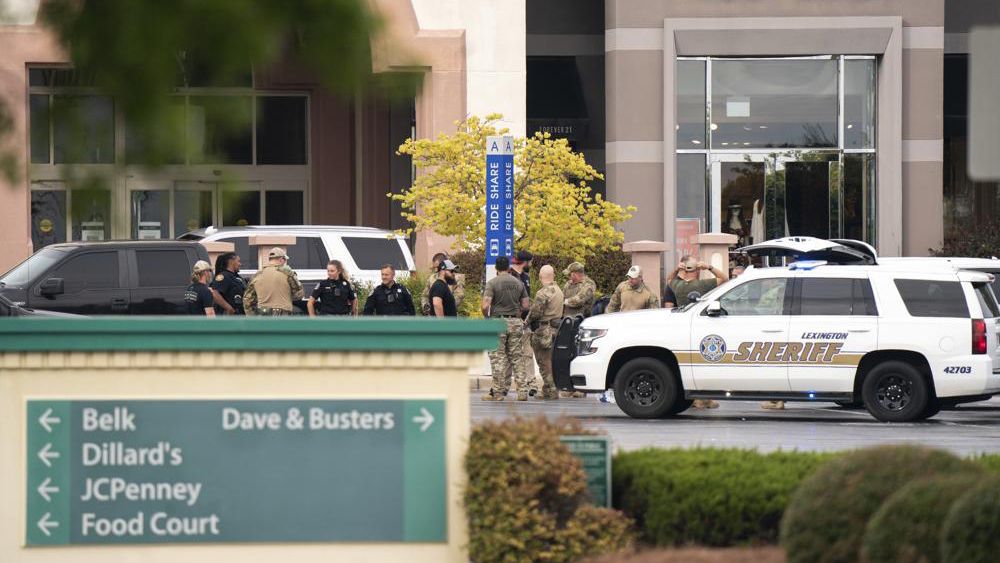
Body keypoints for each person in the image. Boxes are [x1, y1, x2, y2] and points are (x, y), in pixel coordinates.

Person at [481, 256, 530, 401]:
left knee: (498, 358)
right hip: (515, 322)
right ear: (509, 267)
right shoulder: (518, 283)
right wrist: (517, 314)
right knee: (517, 357)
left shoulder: (492, 283)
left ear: (496, 268)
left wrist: (488, 317)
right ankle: (522, 391)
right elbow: (526, 305)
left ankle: (498, 392)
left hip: (498, 322)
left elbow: (485, 305)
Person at [525, 265, 564, 400]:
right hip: (556, 329)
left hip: (544, 330)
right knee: (551, 360)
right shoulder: (559, 291)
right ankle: (549, 389)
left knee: (543, 361)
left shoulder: (543, 293)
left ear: (541, 277)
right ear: (553, 275)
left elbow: (535, 312)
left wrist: (526, 322)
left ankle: (551, 390)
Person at [561, 261, 596, 397]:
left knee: (580, 355)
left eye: (571, 274)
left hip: (582, 323)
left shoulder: (589, 284)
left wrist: (565, 302)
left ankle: (581, 389)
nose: (569, 277)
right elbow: (563, 298)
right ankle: (569, 387)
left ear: (576, 274)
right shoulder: (568, 284)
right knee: (568, 355)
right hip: (568, 323)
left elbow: (580, 299)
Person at [510, 250, 541, 396]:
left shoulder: (526, 277)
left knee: (528, 354)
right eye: (530, 261)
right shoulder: (510, 276)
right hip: (514, 321)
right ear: (525, 262)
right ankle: (503, 386)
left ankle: (531, 383)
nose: (531, 264)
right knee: (513, 354)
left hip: (526, 321)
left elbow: (527, 299)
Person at [244, 247, 304, 316]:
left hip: (263, 314)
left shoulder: (257, 275)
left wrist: (252, 317)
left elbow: (247, 300)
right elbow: (299, 295)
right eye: (285, 260)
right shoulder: (288, 274)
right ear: (281, 259)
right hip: (283, 314)